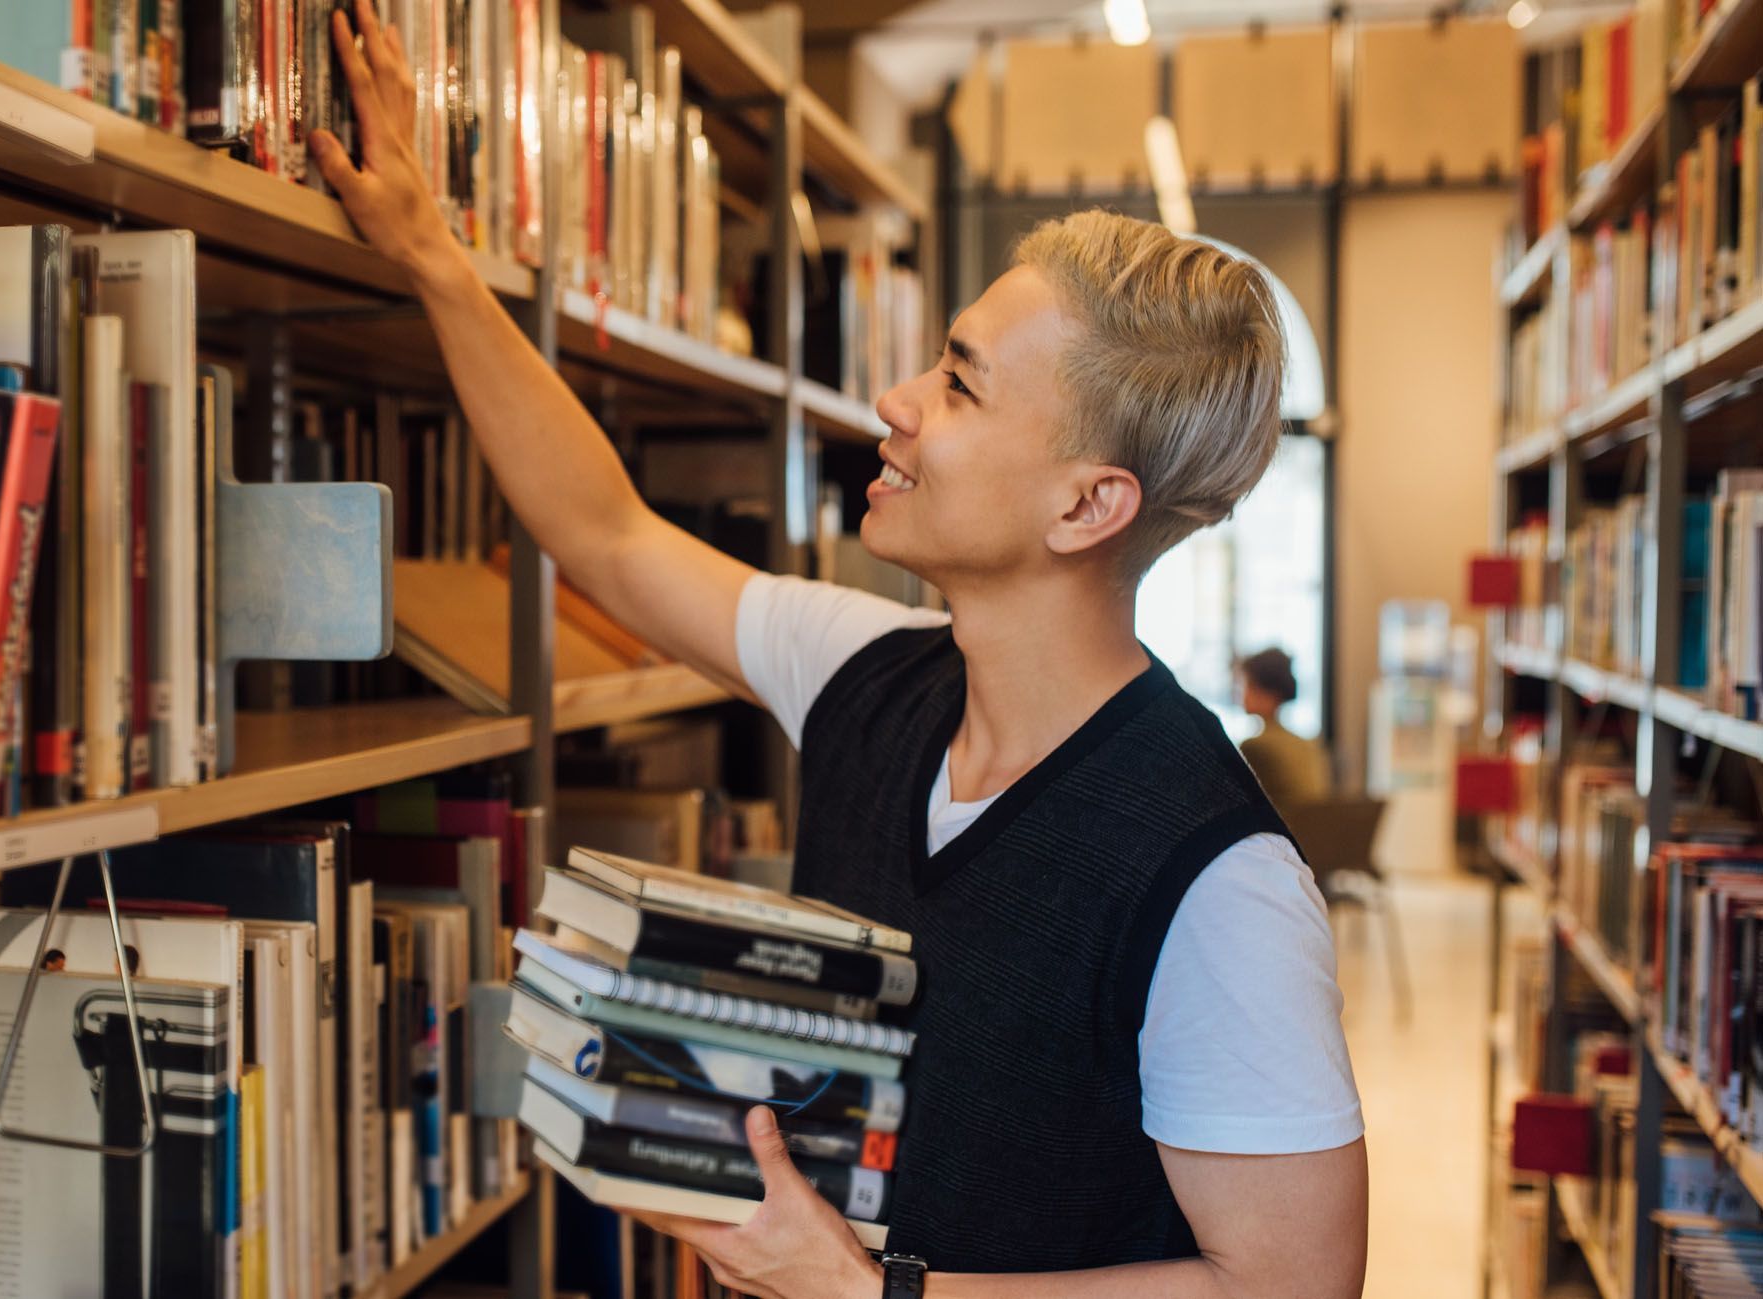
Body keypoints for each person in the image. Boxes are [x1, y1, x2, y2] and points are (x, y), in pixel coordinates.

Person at [310, 7, 1366, 1296]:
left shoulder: (1218, 881)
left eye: (962, 386)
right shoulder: (874, 673)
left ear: (1087, 507)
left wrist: (868, 1297)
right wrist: (432, 254)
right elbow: (604, 536)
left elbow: (1286, 1289)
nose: (897, 402)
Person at [1236, 647, 1333, 809]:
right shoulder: (1307, 744)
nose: (1242, 694)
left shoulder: (1254, 747)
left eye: (1245, 685)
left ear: (1265, 692)